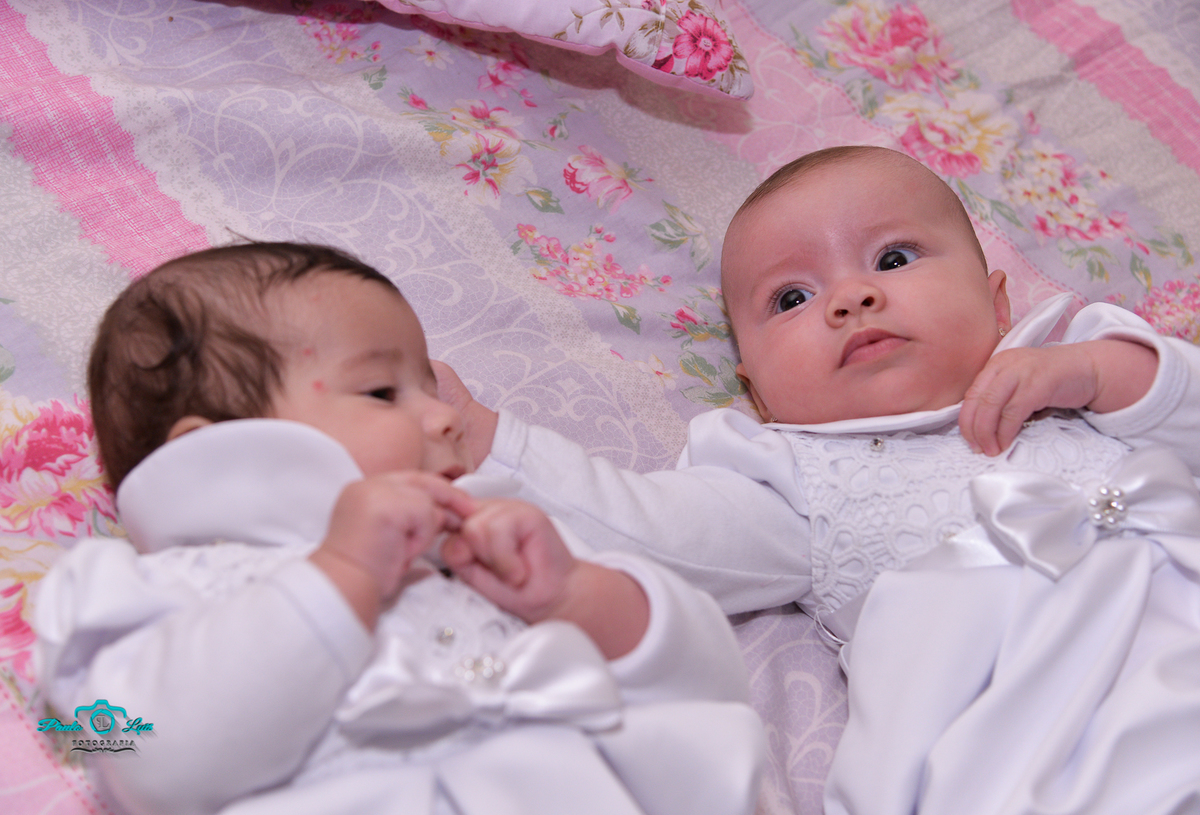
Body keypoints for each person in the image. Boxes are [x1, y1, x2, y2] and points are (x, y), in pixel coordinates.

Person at [436, 146, 1200, 815]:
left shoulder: (1087, 375)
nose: (850, 297)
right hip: (1033, 753)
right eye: (791, 299)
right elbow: (646, 531)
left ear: (998, 306)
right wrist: (490, 443)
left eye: (894, 258)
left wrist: (1103, 371)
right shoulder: (798, 483)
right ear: (758, 388)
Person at [34, 242, 763, 815]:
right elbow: (136, 754)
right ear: (213, 450)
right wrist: (339, 577)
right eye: (384, 391)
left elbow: (716, 693)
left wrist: (578, 596)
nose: (448, 416)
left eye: (430, 386)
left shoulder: (493, 539)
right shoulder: (159, 593)